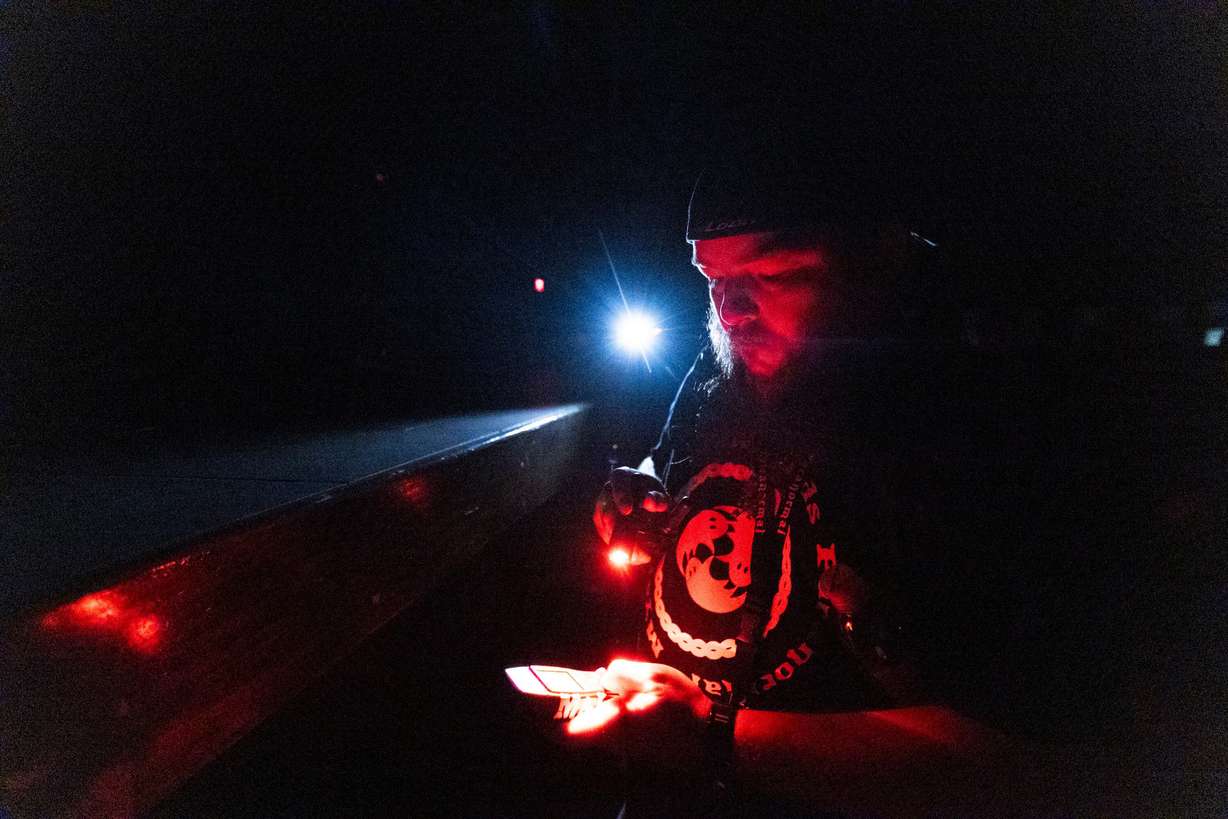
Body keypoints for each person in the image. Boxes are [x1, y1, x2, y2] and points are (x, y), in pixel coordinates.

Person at [581, 154, 967, 815]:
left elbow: (1018, 771)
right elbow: (669, 461)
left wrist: (713, 733)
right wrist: (636, 491)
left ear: (876, 266)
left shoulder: (962, 425)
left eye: (775, 273)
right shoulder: (726, 366)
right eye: (712, 278)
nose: (731, 312)